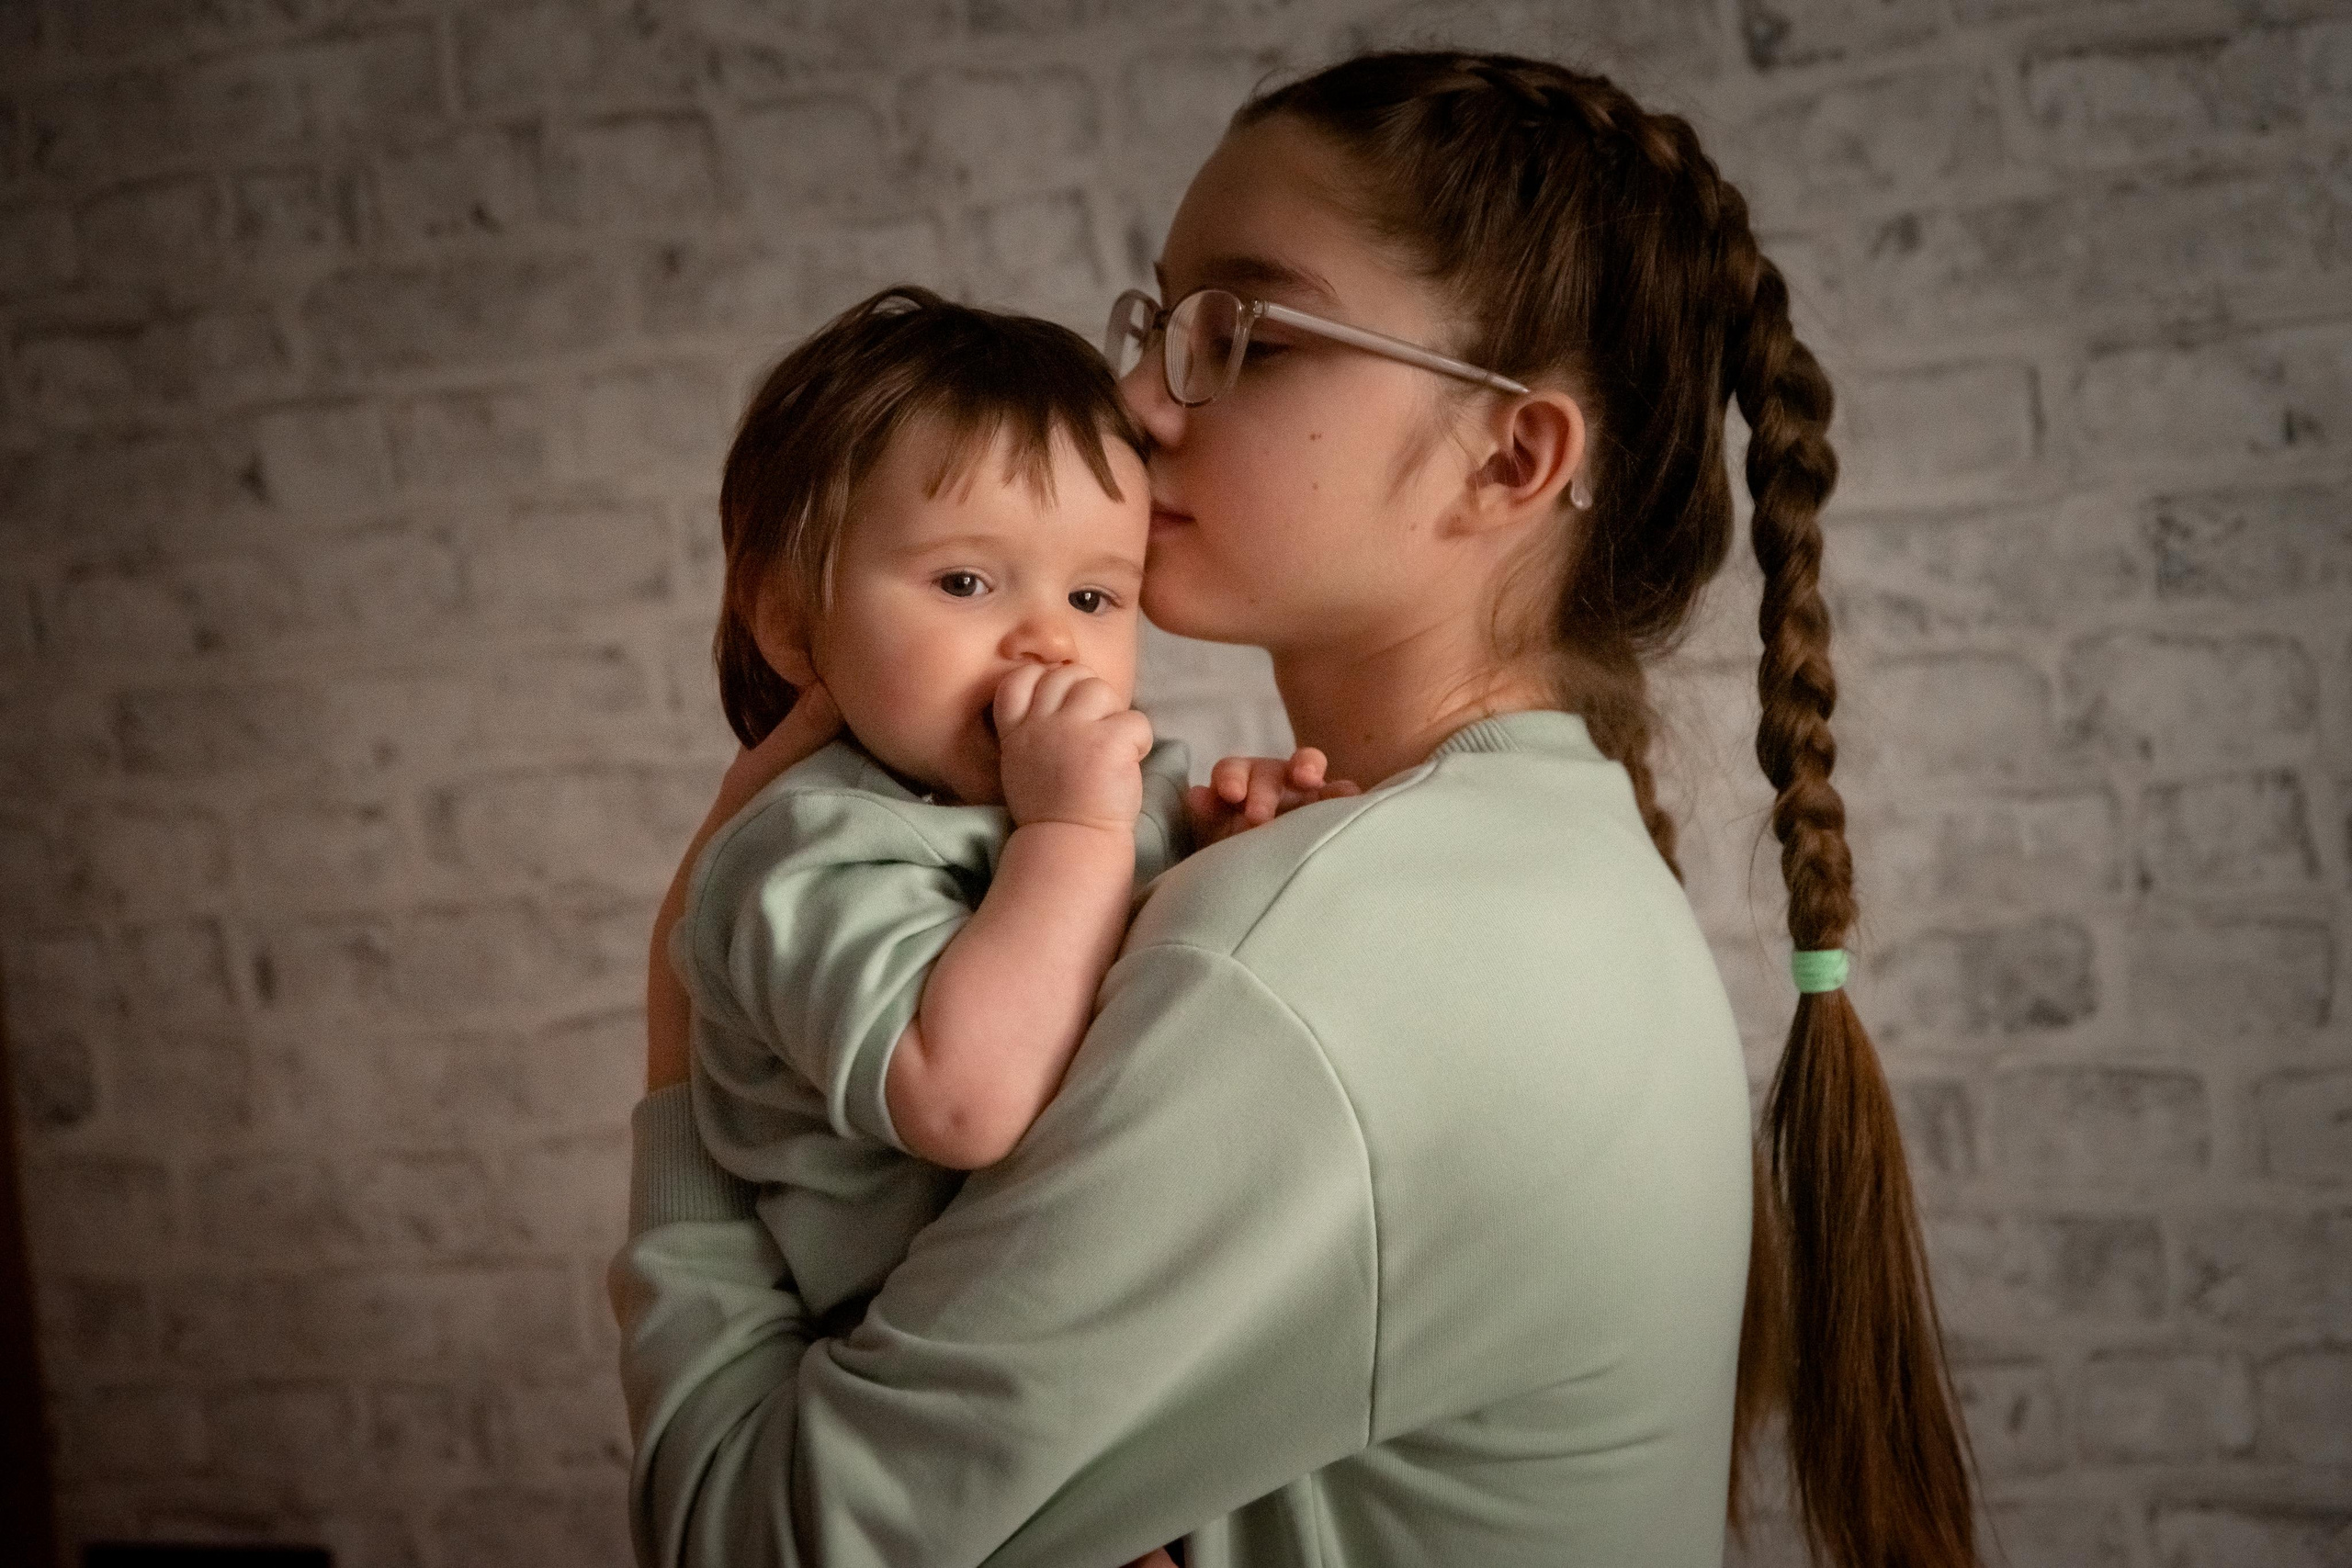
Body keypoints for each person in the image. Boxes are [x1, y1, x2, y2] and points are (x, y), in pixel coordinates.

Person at [613, 50, 1982, 1568]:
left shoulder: (1295, 961)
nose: (1135, 402)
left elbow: (748, 1539)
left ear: (1509, 456)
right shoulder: (1522, 865)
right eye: (1155, 321)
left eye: (1241, 334)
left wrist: (688, 1034)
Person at [664, 287, 1346, 1359]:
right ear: (795, 621)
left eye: (1092, 599)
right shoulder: (806, 856)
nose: (1050, 644)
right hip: (911, 1377)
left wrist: (1228, 859)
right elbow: (970, 1100)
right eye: (966, 580)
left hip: (1083, 1331)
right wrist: (1077, 836)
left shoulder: (1106, 792)